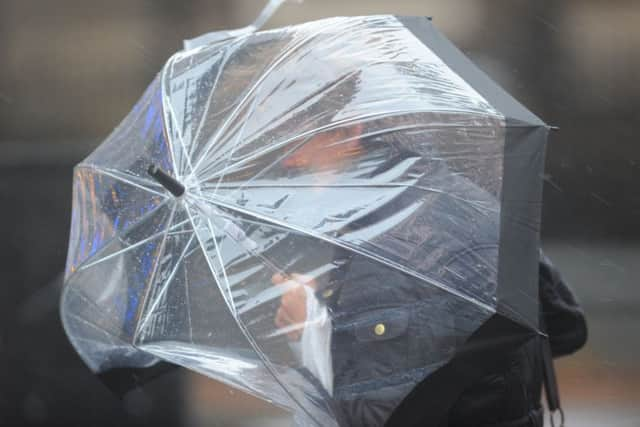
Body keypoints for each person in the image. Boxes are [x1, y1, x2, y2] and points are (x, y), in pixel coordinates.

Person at [269, 121, 587, 427]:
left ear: (349, 133)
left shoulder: (390, 250)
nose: (285, 159)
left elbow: (371, 419)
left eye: (293, 138)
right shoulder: (457, 196)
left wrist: (312, 329)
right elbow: (563, 326)